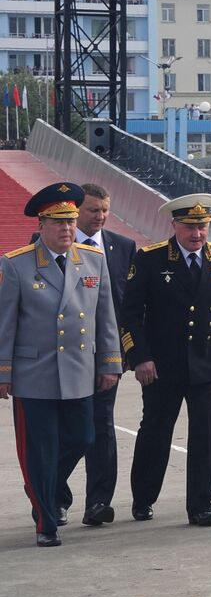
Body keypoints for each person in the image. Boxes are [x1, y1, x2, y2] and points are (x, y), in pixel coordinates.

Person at [0, 182, 121, 546]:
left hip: (78, 371)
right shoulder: (17, 264)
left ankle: (41, 483)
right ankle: (46, 524)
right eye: (57, 222)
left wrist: (110, 362)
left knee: (82, 437)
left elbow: (106, 316)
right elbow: (5, 324)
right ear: (41, 225)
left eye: (70, 221)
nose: (66, 228)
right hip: (33, 375)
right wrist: (3, 373)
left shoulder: (93, 260)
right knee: (39, 447)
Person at [121, 193, 211, 527]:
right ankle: (143, 497)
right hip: (162, 365)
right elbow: (130, 316)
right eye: (190, 227)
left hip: (207, 362)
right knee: (156, 432)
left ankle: (200, 505)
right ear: (174, 225)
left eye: (202, 226)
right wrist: (139, 358)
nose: (197, 234)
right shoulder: (150, 258)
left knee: (205, 435)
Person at [51, 184, 136, 528]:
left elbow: (129, 305)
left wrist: (128, 354)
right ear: (75, 211)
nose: (99, 217)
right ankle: (52, 493)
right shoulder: (51, 245)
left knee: (101, 428)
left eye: (104, 210)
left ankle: (99, 501)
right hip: (61, 358)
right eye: (92, 210)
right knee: (68, 432)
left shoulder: (123, 247)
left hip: (105, 356)